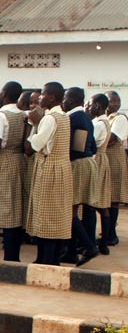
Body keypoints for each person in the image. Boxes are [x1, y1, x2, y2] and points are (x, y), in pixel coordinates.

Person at [25, 82, 73, 265]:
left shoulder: (49, 118)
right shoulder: (64, 116)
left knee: (45, 215)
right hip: (62, 168)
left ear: (52, 97)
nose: (39, 99)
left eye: (43, 95)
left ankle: (45, 260)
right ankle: (50, 258)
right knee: (56, 215)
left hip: (49, 168)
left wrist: (34, 125)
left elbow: (35, 145)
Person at [0, 81, 28, 261]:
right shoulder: (23, 115)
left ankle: (9, 256)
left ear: (3, 93)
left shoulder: (1, 115)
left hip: (4, 161)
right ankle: (15, 253)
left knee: (6, 206)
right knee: (17, 205)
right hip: (20, 160)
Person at [62, 87, 100, 265]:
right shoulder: (86, 118)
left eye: (65, 98)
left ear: (70, 100)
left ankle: (90, 247)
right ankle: (71, 253)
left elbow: (77, 147)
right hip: (87, 162)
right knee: (74, 209)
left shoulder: (74, 118)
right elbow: (92, 146)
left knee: (70, 210)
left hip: (77, 163)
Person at [85, 93, 113, 254]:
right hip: (101, 160)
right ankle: (103, 241)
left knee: (95, 204)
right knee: (100, 204)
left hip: (97, 162)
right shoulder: (102, 121)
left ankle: (100, 243)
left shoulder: (98, 124)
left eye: (89, 104)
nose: (87, 108)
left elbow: (91, 143)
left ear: (97, 106)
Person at [106, 91, 127, 245]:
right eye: (112, 100)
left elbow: (112, 139)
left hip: (113, 160)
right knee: (104, 199)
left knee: (112, 199)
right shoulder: (104, 118)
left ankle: (111, 234)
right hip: (104, 160)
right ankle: (107, 231)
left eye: (117, 100)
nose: (115, 103)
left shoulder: (120, 119)